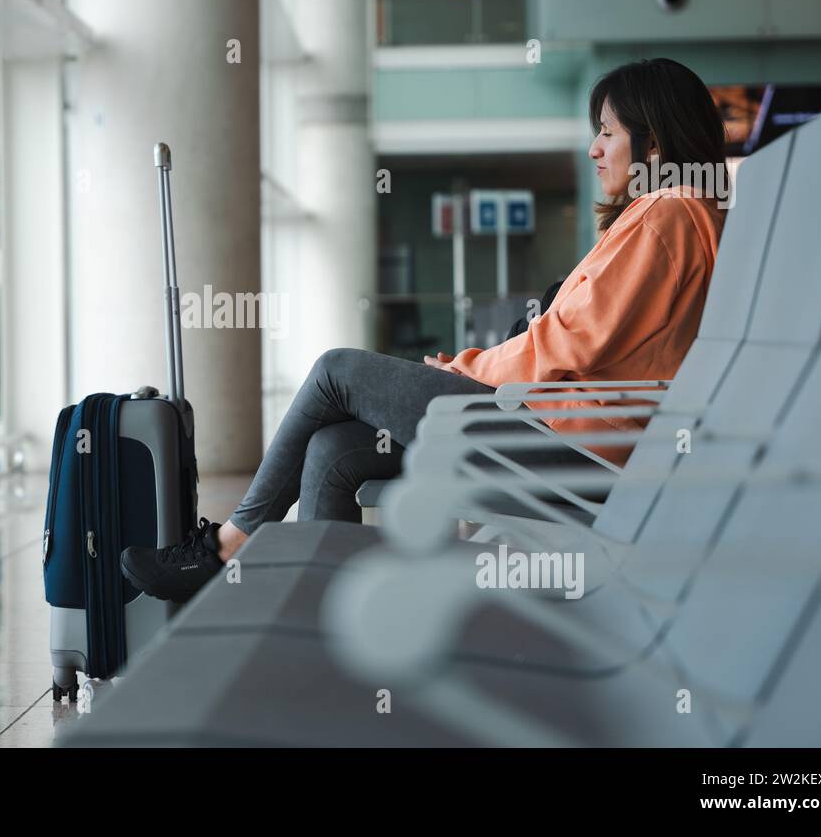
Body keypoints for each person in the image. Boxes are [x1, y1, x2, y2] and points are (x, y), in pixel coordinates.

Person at [121, 58, 730, 603]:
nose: (594, 148)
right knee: (334, 450)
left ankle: (228, 545)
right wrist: (469, 364)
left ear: (652, 145)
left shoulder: (667, 214)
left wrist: (464, 370)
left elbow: (569, 342)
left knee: (337, 370)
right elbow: (571, 337)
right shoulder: (672, 216)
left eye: (607, 132)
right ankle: (310, 614)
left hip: (575, 451)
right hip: (561, 433)